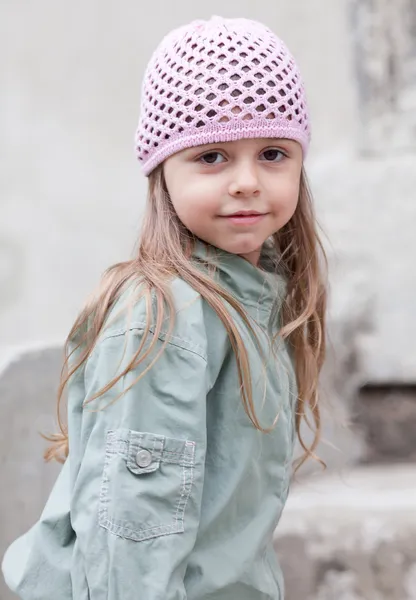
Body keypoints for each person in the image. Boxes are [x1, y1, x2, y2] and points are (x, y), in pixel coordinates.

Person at [2, 15, 327, 600]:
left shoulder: (257, 295)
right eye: (211, 157)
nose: (248, 181)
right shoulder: (166, 318)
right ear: (161, 172)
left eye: (273, 152)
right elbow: (134, 530)